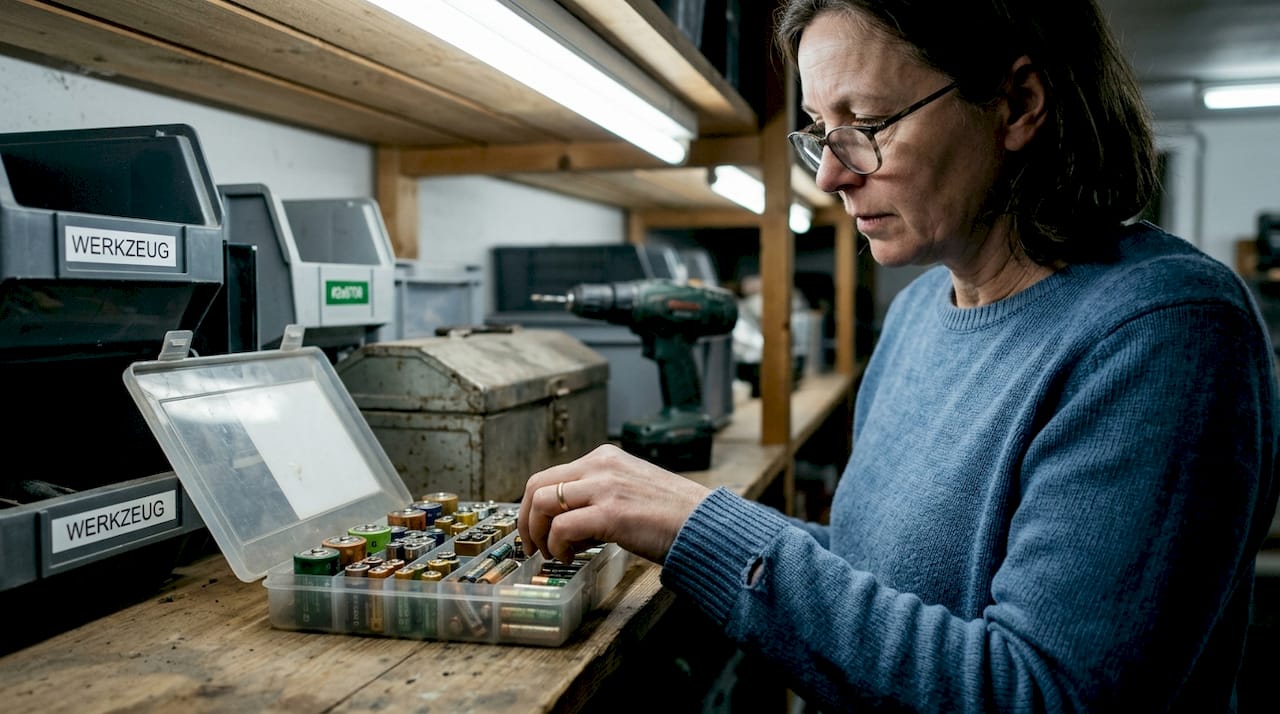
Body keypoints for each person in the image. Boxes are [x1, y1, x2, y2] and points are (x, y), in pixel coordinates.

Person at [519, 0, 1280, 710]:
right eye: (819, 129)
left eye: (869, 123)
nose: (831, 174)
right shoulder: (921, 311)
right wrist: (681, 522)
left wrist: (705, 528)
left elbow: (1040, 691)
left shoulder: (1166, 331)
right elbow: (886, 570)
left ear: (1015, 104)